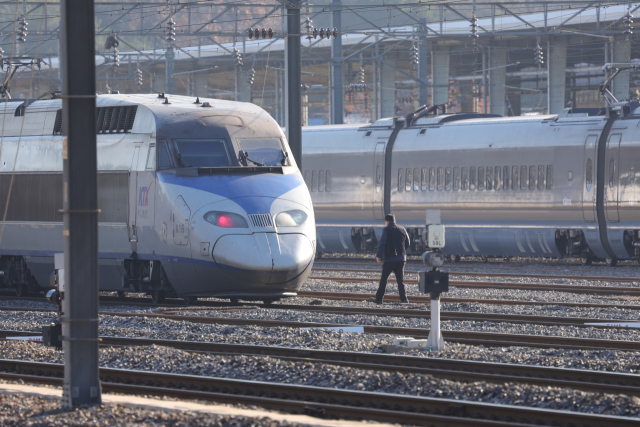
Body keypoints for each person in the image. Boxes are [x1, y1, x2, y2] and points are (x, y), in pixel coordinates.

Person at [370, 214, 410, 304]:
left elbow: (382, 243)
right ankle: (404, 299)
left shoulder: (387, 229)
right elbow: (408, 243)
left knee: (384, 279)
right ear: (395, 221)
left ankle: (379, 299)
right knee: (400, 279)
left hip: (390, 259)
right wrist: (401, 251)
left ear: (386, 222)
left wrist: (378, 256)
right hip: (401, 258)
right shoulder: (402, 229)